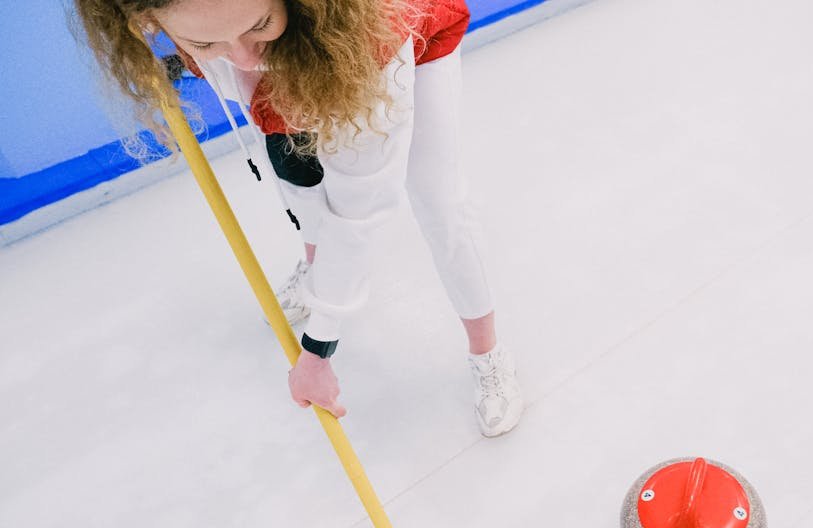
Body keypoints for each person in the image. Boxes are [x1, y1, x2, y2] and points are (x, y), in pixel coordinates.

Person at [74, 0, 525, 436]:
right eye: (206, 43)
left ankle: (489, 354)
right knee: (295, 171)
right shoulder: (205, 21)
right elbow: (283, 147)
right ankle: (315, 270)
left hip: (398, 37)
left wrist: (318, 349)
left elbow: (359, 209)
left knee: (437, 201)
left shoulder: (368, 36)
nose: (246, 58)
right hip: (301, 53)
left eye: (259, 23)